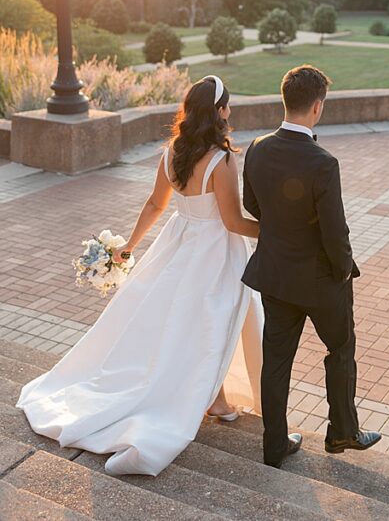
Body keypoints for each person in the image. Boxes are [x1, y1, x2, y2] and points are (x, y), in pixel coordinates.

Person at [17, 75, 263, 476]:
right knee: (213, 323)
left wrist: (130, 245)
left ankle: (216, 400)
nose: (230, 112)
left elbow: (155, 203)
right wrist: (275, 231)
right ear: (218, 112)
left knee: (192, 322)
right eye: (227, 106)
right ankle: (212, 400)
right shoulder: (221, 159)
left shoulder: (172, 152)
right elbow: (233, 222)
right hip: (214, 251)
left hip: (179, 244)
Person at [241, 64, 381, 468]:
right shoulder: (323, 163)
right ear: (317, 107)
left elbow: (254, 206)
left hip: (276, 277)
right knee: (340, 348)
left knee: (277, 361)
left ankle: (275, 445)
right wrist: (343, 270)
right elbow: (336, 232)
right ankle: (342, 433)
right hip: (322, 282)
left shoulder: (257, 148)